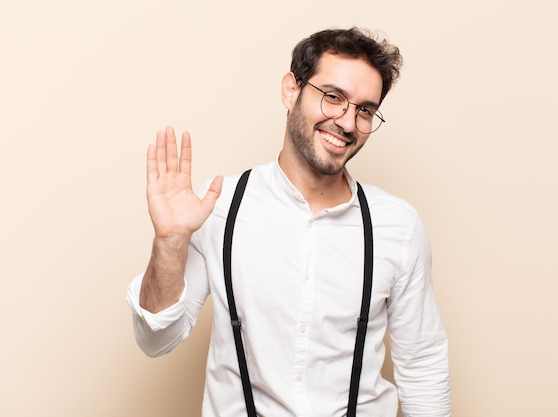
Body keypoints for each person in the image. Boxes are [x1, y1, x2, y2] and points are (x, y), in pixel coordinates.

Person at [127, 27, 451, 417]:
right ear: (290, 90)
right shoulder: (219, 207)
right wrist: (169, 241)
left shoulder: (398, 226)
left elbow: (422, 365)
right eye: (333, 97)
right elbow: (155, 339)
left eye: (364, 109)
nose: (347, 122)